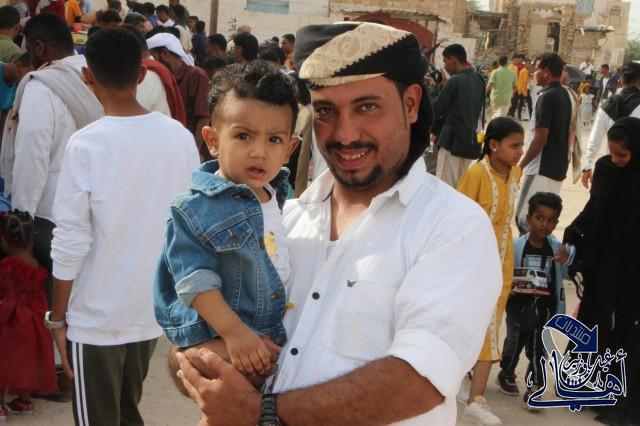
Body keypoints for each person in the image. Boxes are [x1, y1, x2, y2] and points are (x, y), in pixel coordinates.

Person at [172, 22, 502, 426]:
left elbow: (418, 381)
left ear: (412, 104)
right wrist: (197, 358)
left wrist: (260, 413)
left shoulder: (452, 226)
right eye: (326, 111)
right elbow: (192, 336)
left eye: (367, 107)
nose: (345, 134)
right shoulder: (280, 220)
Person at [48, 28, 199, 426]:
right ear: (142, 74)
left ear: (88, 77)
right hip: (149, 311)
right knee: (127, 414)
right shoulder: (179, 138)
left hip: (96, 316)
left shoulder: (86, 144)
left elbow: (70, 240)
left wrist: (57, 317)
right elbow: (189, 221)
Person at [155, 60, 299, 382]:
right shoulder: (196, 208)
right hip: (225, 338)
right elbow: (195, 281)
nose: (259, 152)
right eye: (244, 136)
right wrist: (235, 333)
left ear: (290, 148)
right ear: (213, 140)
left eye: (274, 139)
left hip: (264, 336)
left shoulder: (276, 195)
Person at [0, 13, 103, 303]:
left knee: (49, 304)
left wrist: (20, 224)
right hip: (94, 210)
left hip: (49, 216)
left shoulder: (41, 86)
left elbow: (31, 157)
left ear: (40, 47)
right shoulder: (95, 75)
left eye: (29, 49)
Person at [564, 117, 640, 426]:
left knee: (625, 327)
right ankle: (585, 387)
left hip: (632, 265)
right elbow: (594, 209)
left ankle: (617, 393)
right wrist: (575, 232)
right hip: (603, 260)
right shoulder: (606, 169)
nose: (616, 159)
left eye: (624, 155)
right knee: (594, 319)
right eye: (613, 153)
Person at [457, 117, 524, 425]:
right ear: (494, 145)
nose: (520, 152)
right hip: (475, 258)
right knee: (471, 322)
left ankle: (475, 397)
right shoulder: (475, 174)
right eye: (514, 145)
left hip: (503, 257)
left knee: (492, 324)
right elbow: (457, 219)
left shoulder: (516, 172)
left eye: (521, 145)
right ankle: (471, 394)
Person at [497, 192, 573, 407]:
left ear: (556, 223)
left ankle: (535, 385)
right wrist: (509, 287)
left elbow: (566, 274)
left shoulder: (556, 248)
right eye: (539, 218)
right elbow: (505, 273)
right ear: (528, 218)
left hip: (546, 307)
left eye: (550, 220)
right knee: (515, 343)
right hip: (519, 306)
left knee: (540, 346)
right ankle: (506, 372)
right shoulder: (516, 246)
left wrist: (566, 260)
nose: (544, 224)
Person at [0, 210, 58, 419]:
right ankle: (24, 401)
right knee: (26, 363)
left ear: (4, 242)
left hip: (11, 322)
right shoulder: (35, 264)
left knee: (4, 362)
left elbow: (7, 294)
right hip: (32, 323)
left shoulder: (7, 266)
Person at [515, 53, 571, 234]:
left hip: (541, 167)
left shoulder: (547, 96)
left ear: (546, 72)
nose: (533, 73)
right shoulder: (565, 94)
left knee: (526, 219)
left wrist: (520, 166)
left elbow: (541, 138)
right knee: (542, 222)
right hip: (556, 167)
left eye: (536, 69)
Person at [148, 32, 209, 157]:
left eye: (153, 57)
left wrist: (194, 151)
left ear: (165, 54)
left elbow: (203, 117)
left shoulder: (196, 76)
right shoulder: (160, 78)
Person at [432, 43, 485, 187]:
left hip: (451, 142)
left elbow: (436, 109)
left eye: (445, 61)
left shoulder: (455, 80)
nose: (444, 66)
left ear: (454, 60)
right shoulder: (480, 80)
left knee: (444, 188)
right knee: (462, 188)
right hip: (470, 143)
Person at [582, 62, 640, 189]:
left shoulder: (607, 105)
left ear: (620, 82)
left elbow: (595, 138)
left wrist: (587, 166)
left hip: (612, 168)